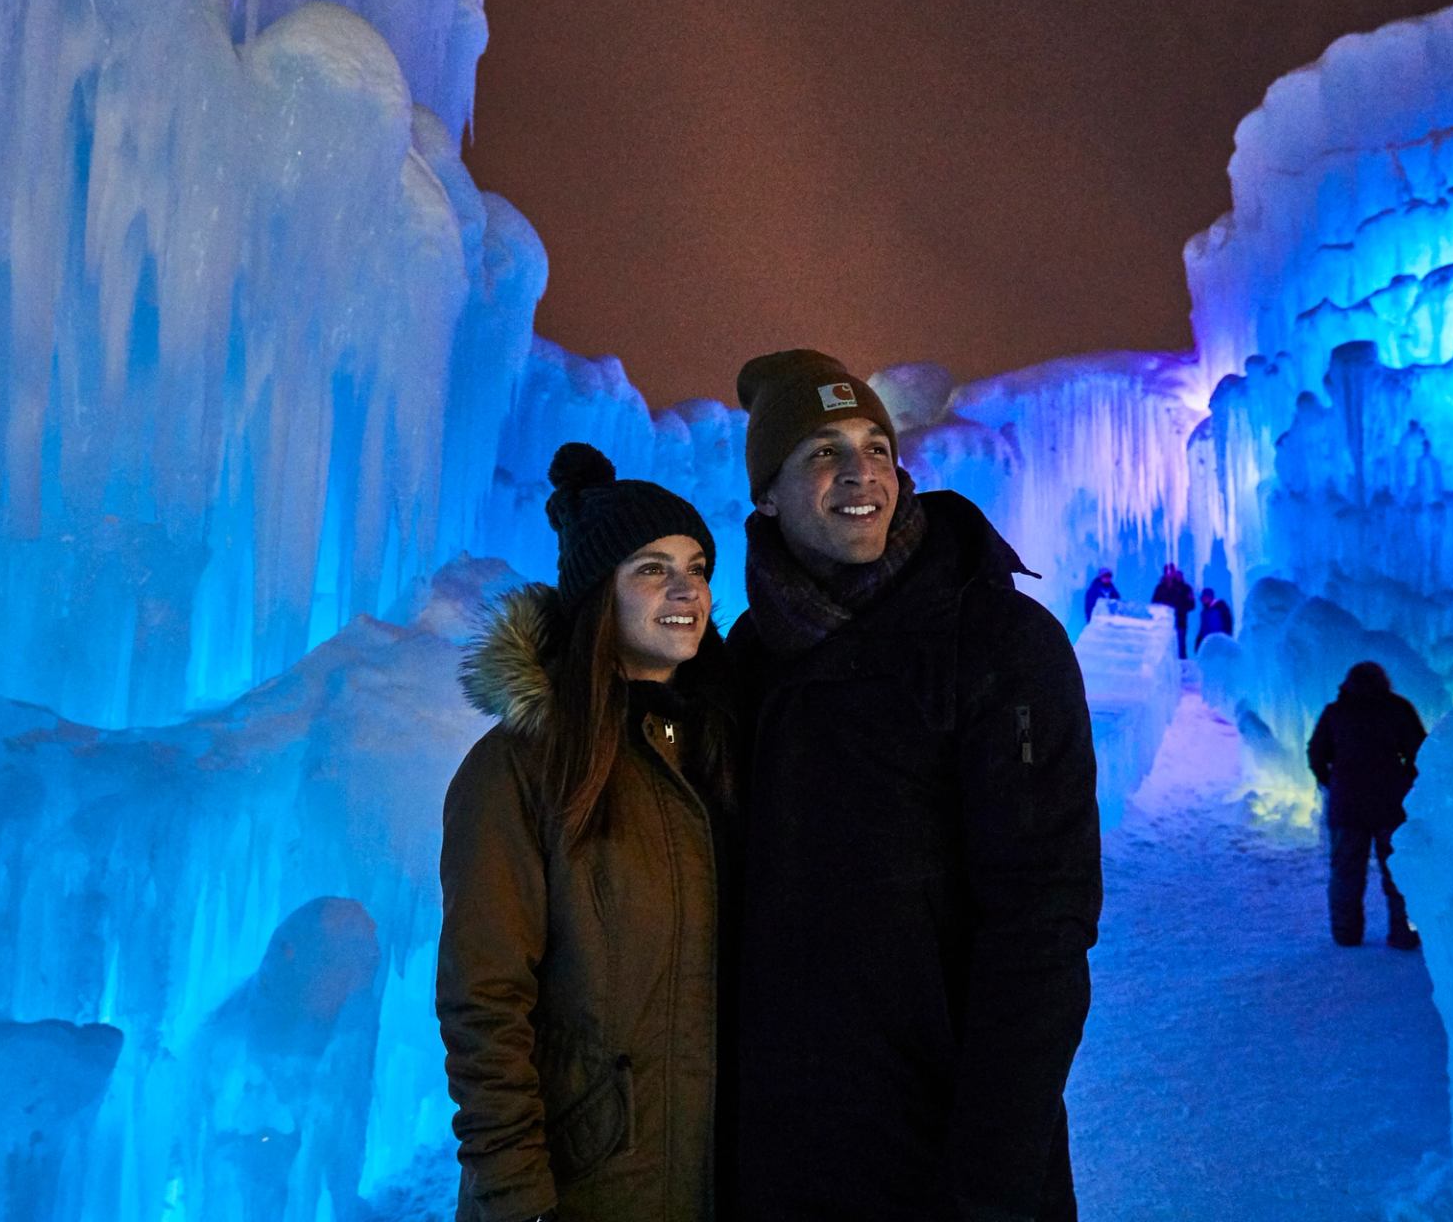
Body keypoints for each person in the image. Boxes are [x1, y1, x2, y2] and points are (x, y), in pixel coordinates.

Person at [728, 349, 1101, 1222]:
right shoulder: (750, 661)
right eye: (822, 452)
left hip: (949, 1165)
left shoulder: (1001, 646)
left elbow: (1041, 935)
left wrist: (987, 1189)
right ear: (769, 493)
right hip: (785, 1164)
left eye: (876, 447)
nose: (861, 472)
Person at [437, 442, 735, 1222]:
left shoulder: (719, 750)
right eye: (651, 569)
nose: (686, 590)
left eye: (698, 567)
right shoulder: (519, 769)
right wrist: (514, 1196)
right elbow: (485, 1002)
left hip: (710, 1176)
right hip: (585, 1188)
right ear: (597, 593)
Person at [1306, 661, 1428, 951]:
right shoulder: (1397, 709)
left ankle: (1346, 934)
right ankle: (1405, 933)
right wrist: (1406, 781)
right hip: (1391, 804)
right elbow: (1420, 751)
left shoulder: (1336, 712)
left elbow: (1316, 753)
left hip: (1347, 806)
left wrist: (1331, 781)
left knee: (1346, 873)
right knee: (1400, 873)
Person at [1150, 563, 1195, 658]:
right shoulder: (1160, 588)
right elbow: (1154, 603)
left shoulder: (1184, 588)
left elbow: (1191, 605)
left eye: (1171, 572)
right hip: (1163, 622)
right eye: (1167, 572)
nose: (1169, 574)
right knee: (1164, 647)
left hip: (1179, 622)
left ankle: (1182, 669)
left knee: (1180, 648)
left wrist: (1177, 608)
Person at [1196, 586, 1234, 650]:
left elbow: (1228, 623)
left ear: (1210, 597)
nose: (1203, 600)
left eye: (1205, 597)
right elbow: (1203, 628)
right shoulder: (1204, 612)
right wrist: (1198, 642)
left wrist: (1227, 636)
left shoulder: (1221, 607)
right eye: (1203, 598)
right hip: (1209, 643)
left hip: (1220, 641)